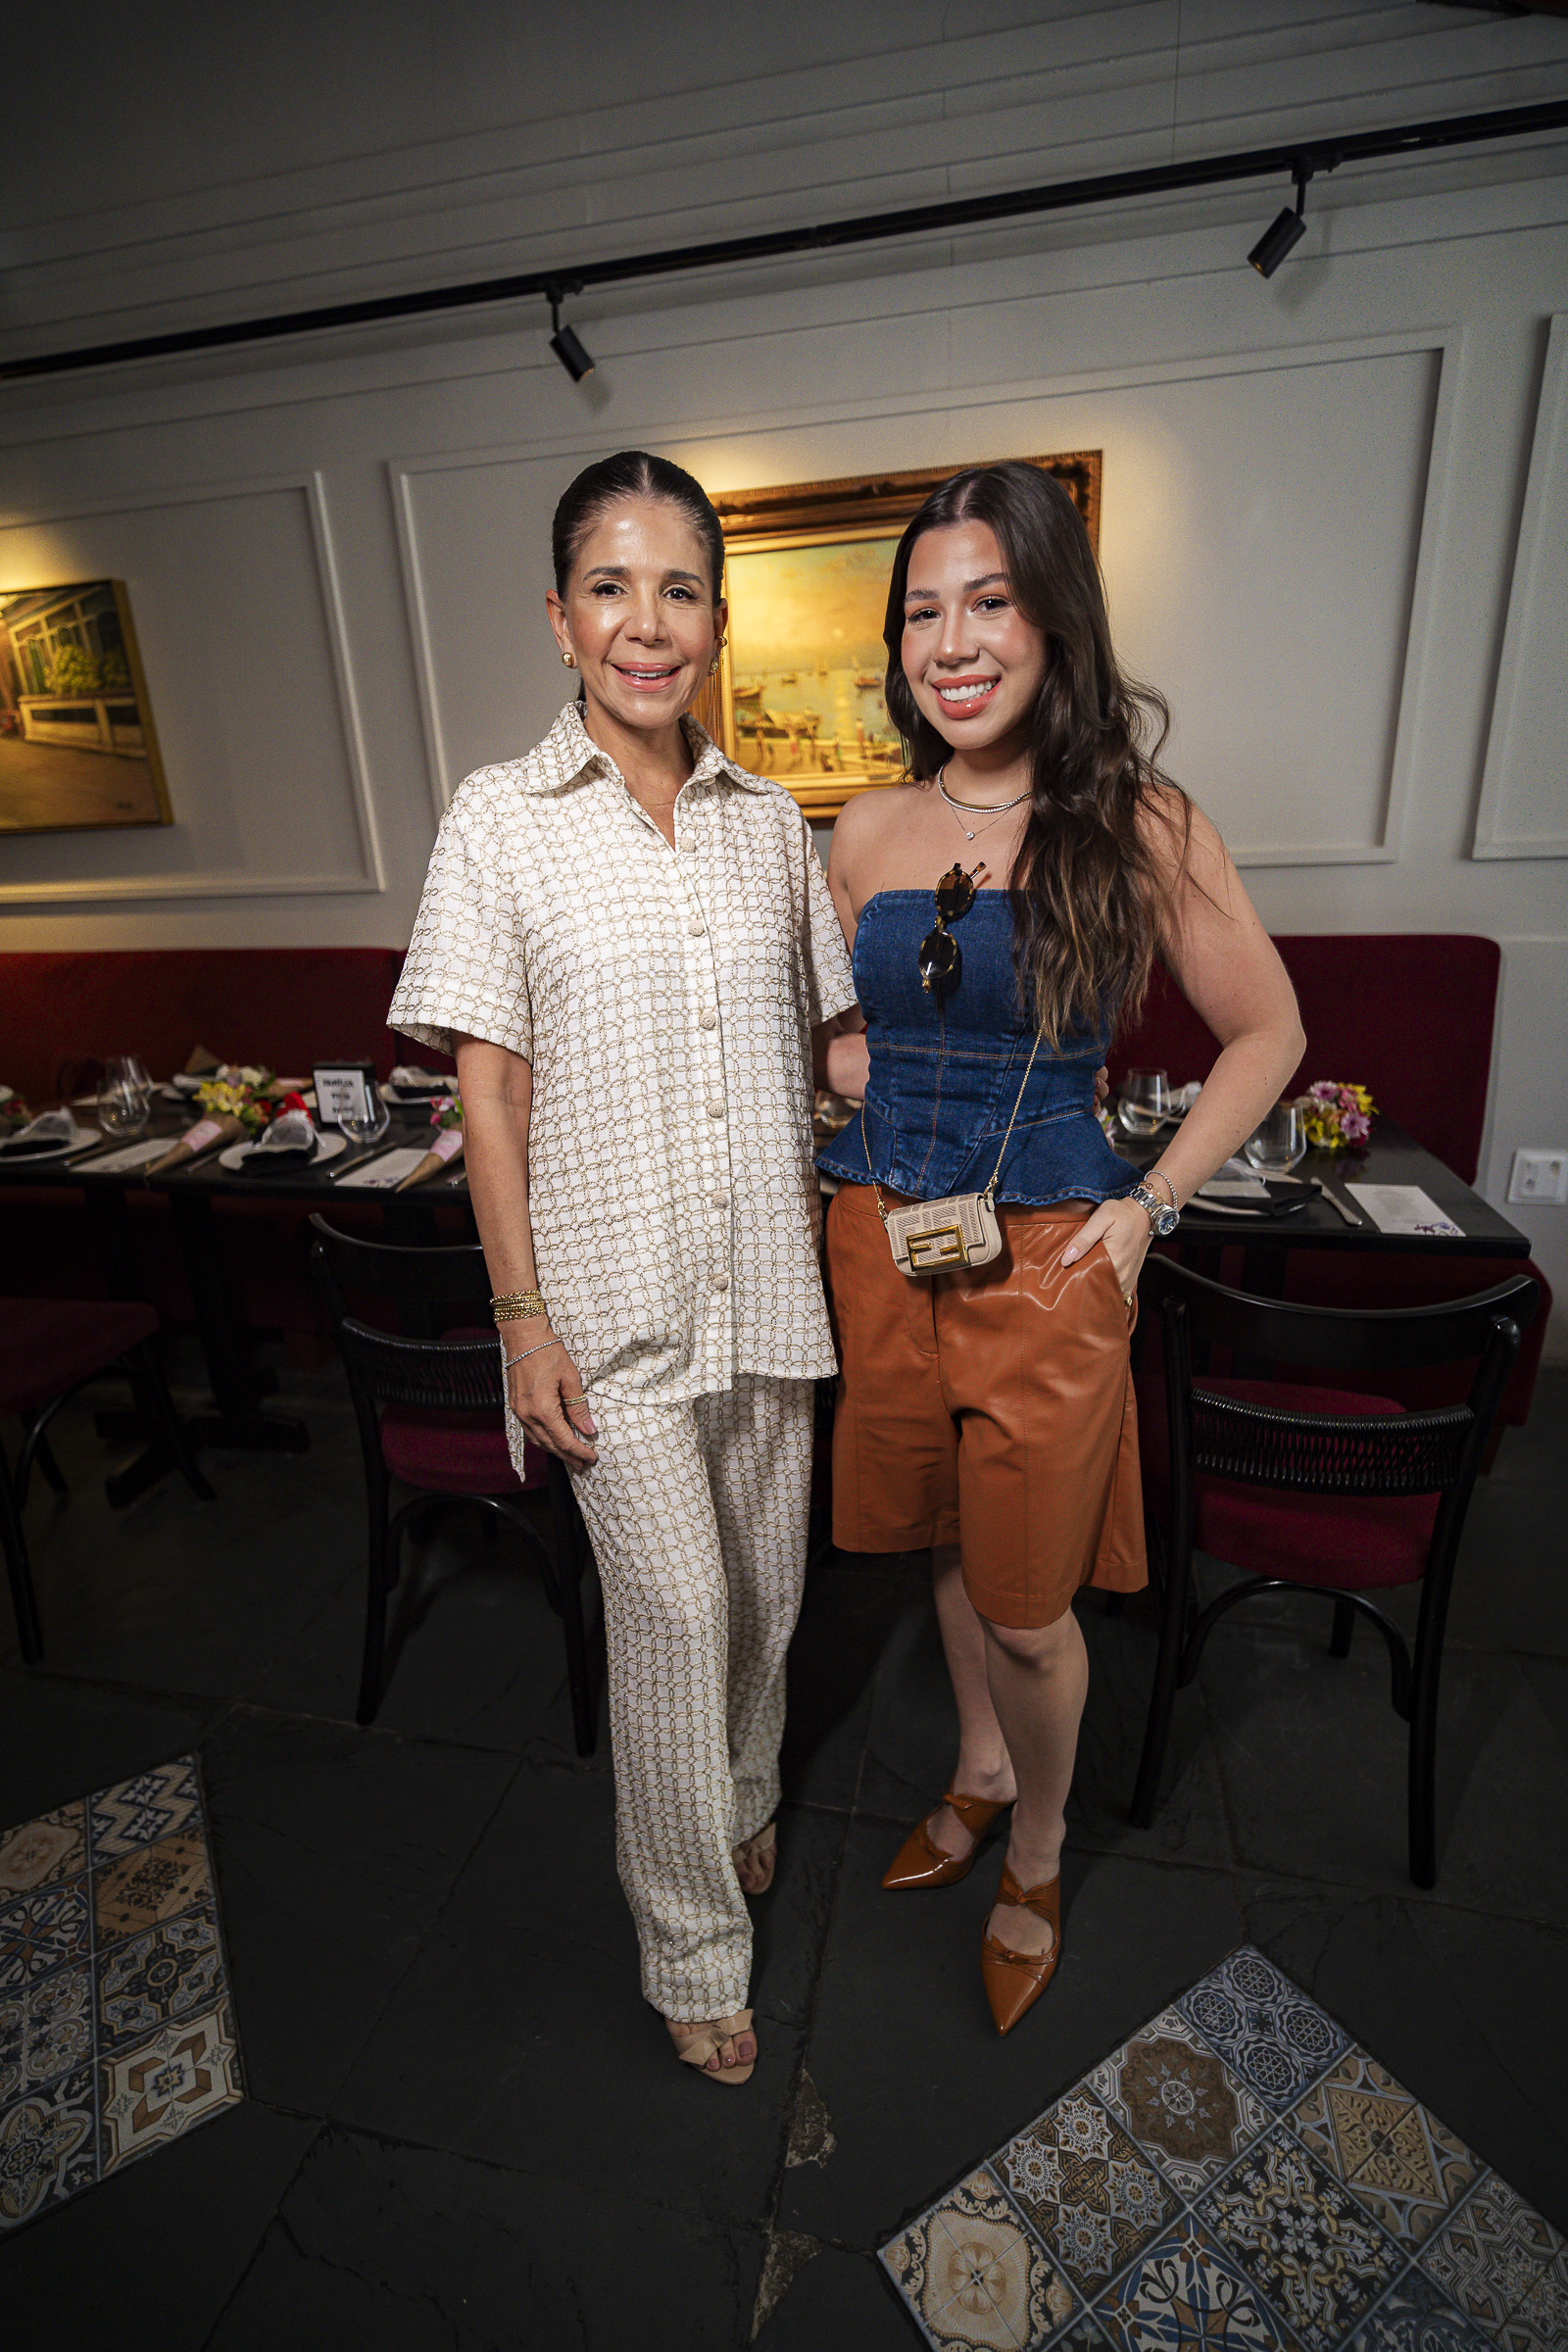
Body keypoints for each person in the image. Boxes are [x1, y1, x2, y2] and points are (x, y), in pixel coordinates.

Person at [814, 462, 1305, 2034]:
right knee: (945, 1540)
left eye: (990, 602)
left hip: (1049, 1262)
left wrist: (1149, 1206)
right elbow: (839, 1028)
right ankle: (973, 1768)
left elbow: (1270, 1033)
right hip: (881, 1238)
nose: (951, 642)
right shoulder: (863, 828)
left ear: (1055, 621)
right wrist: (855, 1066)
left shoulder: (1141, 820)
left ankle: (1035, 1847)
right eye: (922, 612)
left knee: (1030, 1603)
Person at [389, 451, 857, 2085]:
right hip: (606, 1311)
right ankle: (691, 1947)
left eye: (679, 590)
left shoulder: (771, 825)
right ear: (559, 616)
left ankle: (743, 1798)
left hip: (769, 1290)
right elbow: (489, 1094)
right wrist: (522, 1325)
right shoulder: (499, 821)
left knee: (769, 1600)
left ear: (718, 620)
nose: (646, 624)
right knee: (673, 1614)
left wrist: (984, 1061)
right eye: (611, 586)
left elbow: (831, 1052)